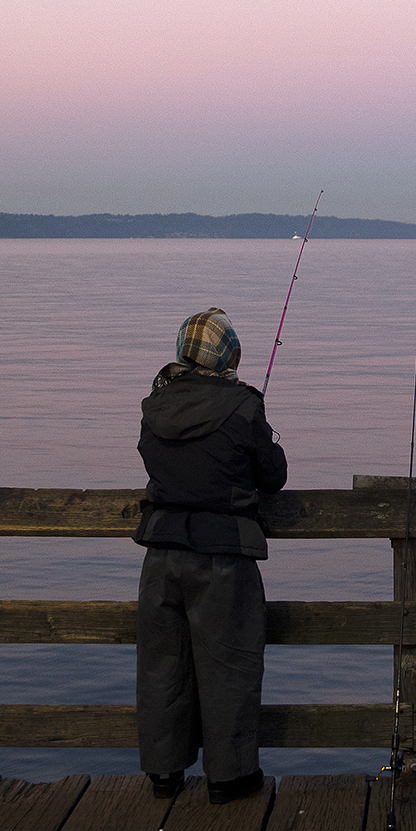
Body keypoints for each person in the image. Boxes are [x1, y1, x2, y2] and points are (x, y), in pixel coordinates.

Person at [132, 308, 287, 804]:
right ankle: (230, 776)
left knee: (162, 666)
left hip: (161, 554)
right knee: (230, 666)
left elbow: (154, 460)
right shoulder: (243, 407)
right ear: (227, 355)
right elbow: (273, 475)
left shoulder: (155, 406)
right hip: (224, 557)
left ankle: (163, 772)